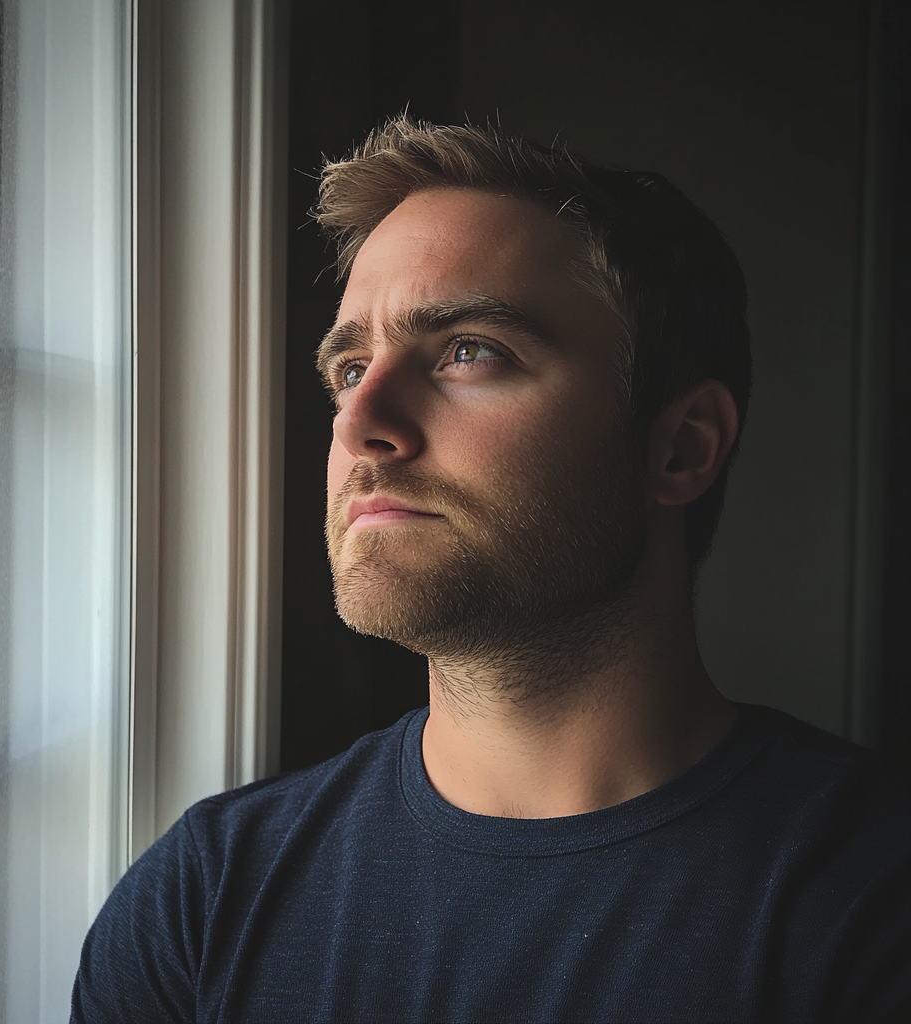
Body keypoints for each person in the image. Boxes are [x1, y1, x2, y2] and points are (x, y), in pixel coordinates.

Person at [70, 118, 910, 1023]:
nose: (362, 423)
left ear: (681, 448)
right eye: (349, 368)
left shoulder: (872, 898)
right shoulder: (202, 900)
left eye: (470, 350)